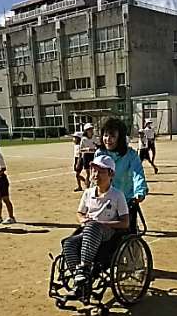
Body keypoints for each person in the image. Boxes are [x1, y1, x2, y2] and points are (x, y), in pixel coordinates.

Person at [62, 154, 129, 290]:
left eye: (101, 172)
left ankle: (84, 268)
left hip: (108, 233)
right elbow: (79, 213)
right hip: (88, 230)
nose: (96, 175)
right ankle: (78, 277)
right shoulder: (88, 193)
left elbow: (125, 222)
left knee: (93, 226)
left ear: (111, 174)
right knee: (68, 243)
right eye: (94, 171)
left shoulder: (117, 195)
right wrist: (83, 219)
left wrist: (103, 224)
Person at [96, 117, 147, 233]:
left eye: (112, 136)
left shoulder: (131, 155)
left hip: (125, 200)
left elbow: (138, 174)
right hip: (104, 201)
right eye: (105, 135)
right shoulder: (100, 153)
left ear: (120, 138)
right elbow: (96, 176)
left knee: (127, 233)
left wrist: (139, 192)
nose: (108, 139)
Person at [80, 123, 99, 187]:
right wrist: (87, 149)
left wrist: (95, 148)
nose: (91, 130)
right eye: (89, 129)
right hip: (86, 155)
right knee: (88, 173)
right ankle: (87, 186)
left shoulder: (94, 138)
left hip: (93, 155)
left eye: (91, 129)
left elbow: (98, 146)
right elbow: (81, 149)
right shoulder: (83, 139)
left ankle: (93, 185)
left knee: (93, 171)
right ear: (86, 131)